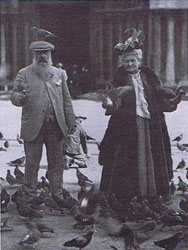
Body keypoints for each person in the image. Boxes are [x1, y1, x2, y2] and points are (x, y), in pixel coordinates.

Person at [99, 29, 184, 204]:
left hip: (150, 124)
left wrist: (173, 100)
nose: (130, 64)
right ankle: (127, 195)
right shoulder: (119, 79)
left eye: (133, 60)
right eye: (127, 61)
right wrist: (109, 104)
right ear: (122, 62)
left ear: (139, 61)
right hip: (126, 126)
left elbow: (159, 97)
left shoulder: (149, 77)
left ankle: (152, 194)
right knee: (127, 158)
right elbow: (114, 99)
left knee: (152, 156)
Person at [10, 40, 76, 208]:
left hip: (55, 126)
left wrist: (71, 120)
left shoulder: (59, 74)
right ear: (34, 55)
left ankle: (57, 194)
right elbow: (14, 95)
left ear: (50, 55)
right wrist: (21, 99)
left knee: (57, 163)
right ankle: (31, 196)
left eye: (46, 53)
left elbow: (66, 100)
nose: (42, 56)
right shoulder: (24, 73)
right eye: (39, 53)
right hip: (33, 126)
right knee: (32, 163)